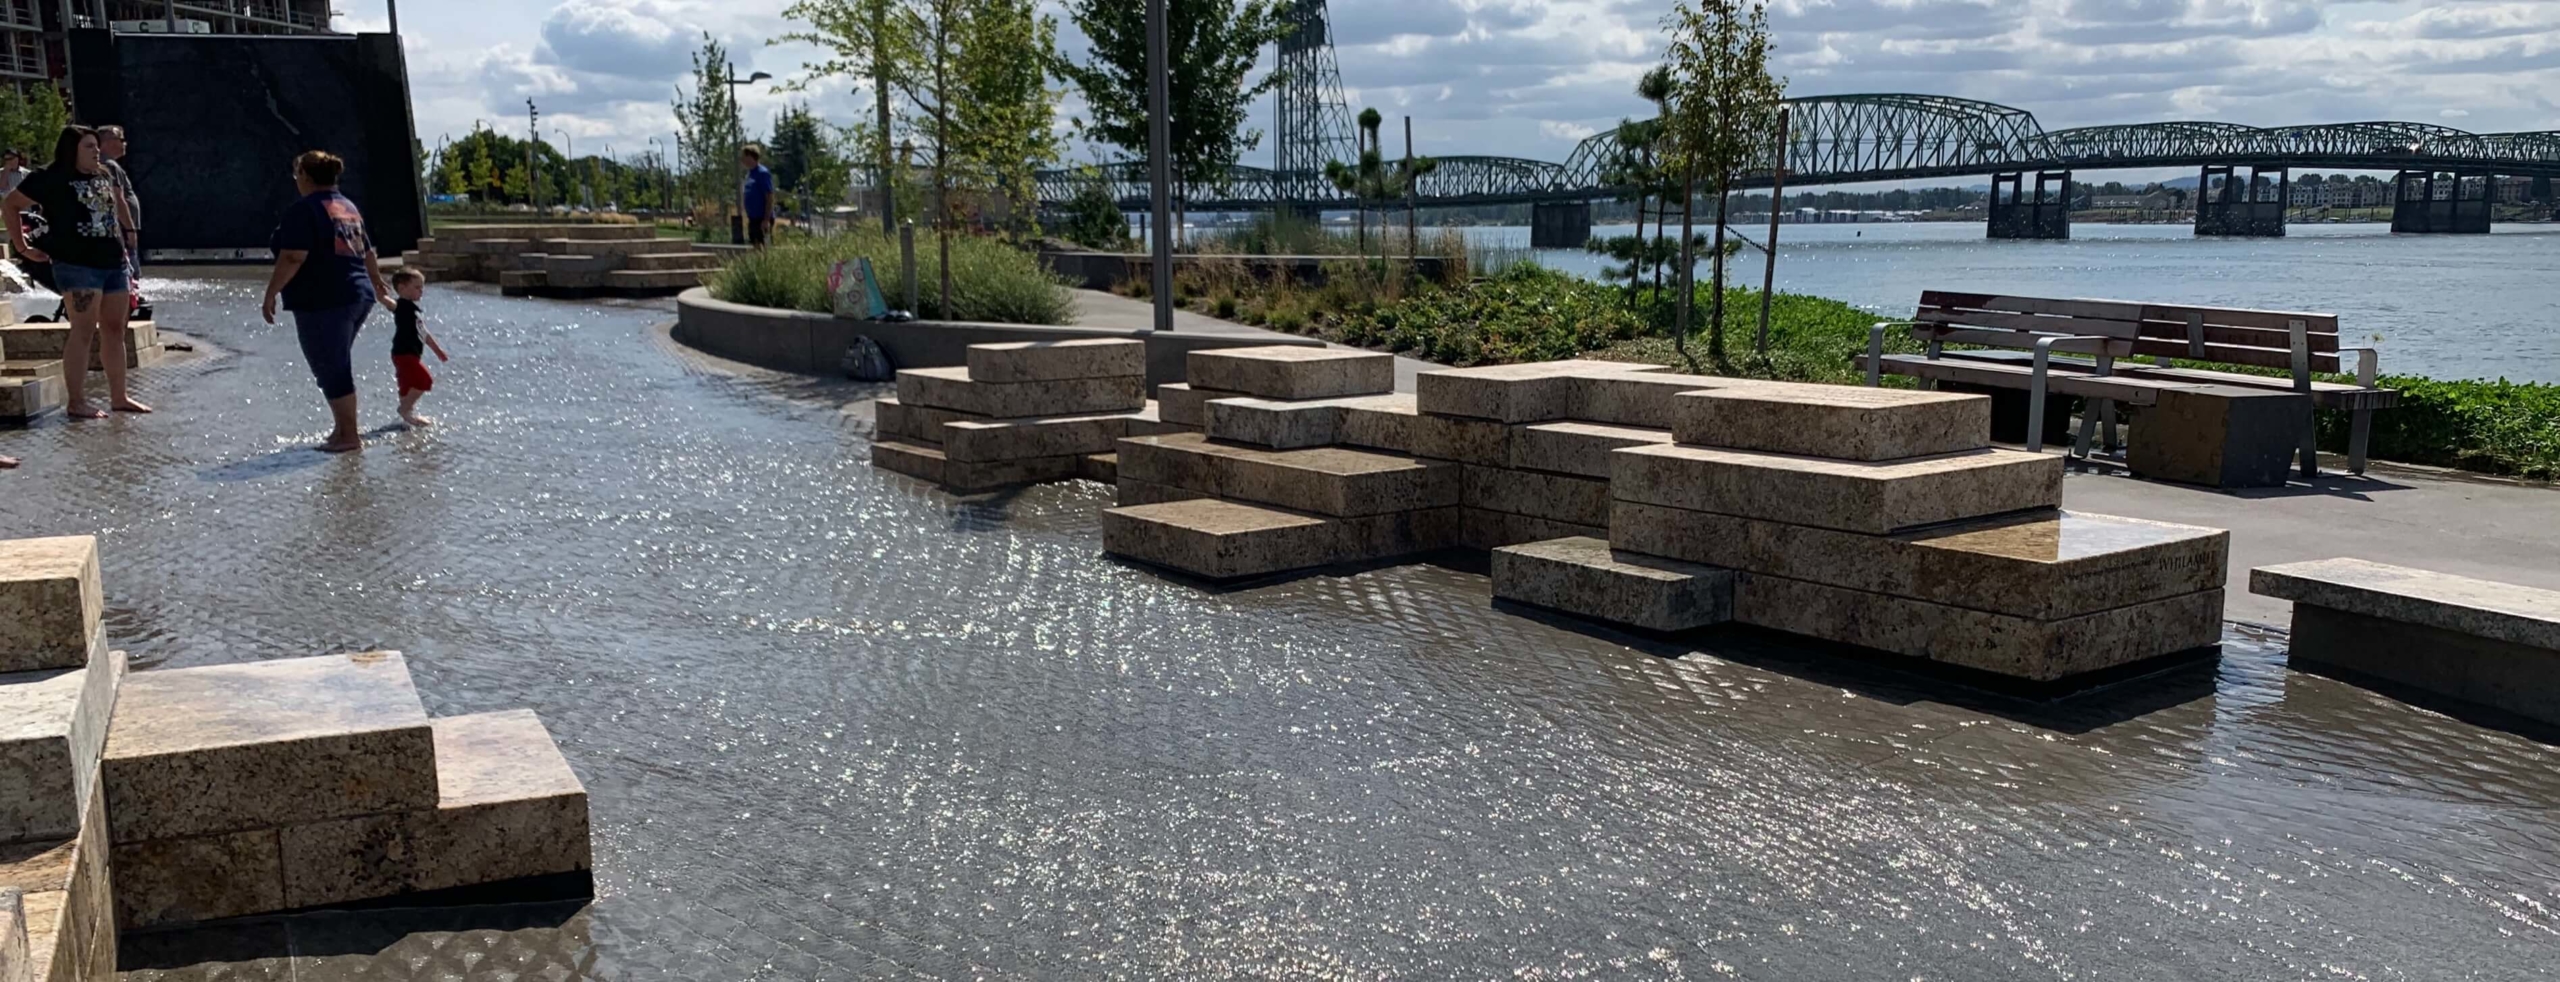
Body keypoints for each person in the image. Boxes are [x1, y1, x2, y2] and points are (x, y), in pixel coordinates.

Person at [3, 125, 148, 418]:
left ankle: (119, 396)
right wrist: (22, 246)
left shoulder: (104, 174)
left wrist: (129, 232)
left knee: (114, 329)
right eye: (89, 147)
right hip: (76, 265)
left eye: (97, 146)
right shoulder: (51, 177)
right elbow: (11, 204)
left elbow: (114, 206)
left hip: (113, 264)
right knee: (82, 330)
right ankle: (77, 401)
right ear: (72, 150)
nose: (96, 151)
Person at [263, 150, 393, 453]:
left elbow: (294, 255)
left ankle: (349, 435)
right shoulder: (346, 206)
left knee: (330, 365)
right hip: (357, 295)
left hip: (324, 298)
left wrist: (271, 293)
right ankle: (341, 429)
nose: (296, 180)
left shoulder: (303, 210)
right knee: (334, 362)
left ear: (306, 176)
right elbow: (368, 250)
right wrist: (376, 284)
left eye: (297, 174)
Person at [387, 267, 446, 427]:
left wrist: (437, 350)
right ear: (402, 288)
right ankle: (404, 410)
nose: (421, 291)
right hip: (404, 352)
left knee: (407, 385)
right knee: (424, 381)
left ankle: (407, 417)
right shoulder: (401, 306)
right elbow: (389, 302)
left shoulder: (414, 310)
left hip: (410, 352)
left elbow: (423, 333)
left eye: (422, 288)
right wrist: (378, 289)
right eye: (417, 287)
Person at [97, 126, 141, 309]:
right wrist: (130, 229)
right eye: (120, 139)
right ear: (106, 142)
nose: (125, 144)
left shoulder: (108, 165)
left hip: (118, 229)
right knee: (130, 274)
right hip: (122, 230)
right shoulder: (110, 166)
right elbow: (117, 197)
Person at [739, 144, 774, 248]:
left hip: (762, 218)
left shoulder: (762, 173)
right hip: (753, 218)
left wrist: (766, 219)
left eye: (744, 157)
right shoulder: (750, 174)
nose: (742, 160)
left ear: (750, 157)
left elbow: (769, 196)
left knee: (763, 247)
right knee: (755, 246)